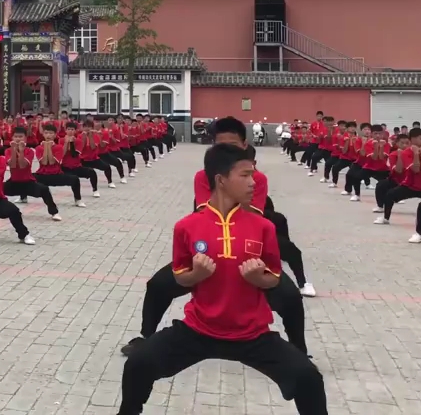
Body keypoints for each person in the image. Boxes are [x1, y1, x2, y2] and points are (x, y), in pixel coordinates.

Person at [118, 143, 326, 415]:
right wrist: (196, 275)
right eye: (245, 175)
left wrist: (258, 279)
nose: (254, 182)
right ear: (221, 180)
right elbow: (180, 277)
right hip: (199, 330)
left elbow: (274, 278)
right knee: (137, 364)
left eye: (254, 175)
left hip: (252, 334)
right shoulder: (187, 226)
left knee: (308, 377)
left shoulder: (263, 227)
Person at [121, 118, 312, 358]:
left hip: (248, 257)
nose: (225, 152)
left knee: (291, 298)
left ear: (244, 145)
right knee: (158, 285)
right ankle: (146, 338)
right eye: (219, 146)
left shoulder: (256, 179)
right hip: (206, 254)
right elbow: (206, 214)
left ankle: (299, 351)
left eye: (231, 146)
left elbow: (251, 217)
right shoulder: (204, 176)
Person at [375, 128, 421, 225]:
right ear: (412, 140)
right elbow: (415, 170)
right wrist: (415, 154)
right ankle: (385, 218)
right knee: (389, 195)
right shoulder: (405, 153)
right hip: (409, 186)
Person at [1, 127, 60, 220]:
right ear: (12, 138)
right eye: (16, 136)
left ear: (25, 138)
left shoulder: (29, 151)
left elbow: (22, 165)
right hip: (14, 182)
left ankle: (54, 212)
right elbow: (12, 164)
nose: (18, 139)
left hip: (28, 182)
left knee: (44, 190)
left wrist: (20, 151)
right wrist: (13, 150)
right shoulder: (8, 151)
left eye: (20, 136)